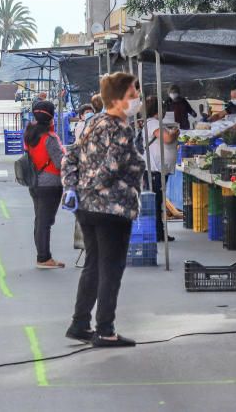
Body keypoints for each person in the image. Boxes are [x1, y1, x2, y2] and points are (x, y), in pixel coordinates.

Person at [61, 72, 145, 348]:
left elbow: (71, 155)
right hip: (112, 208)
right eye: (133, 95)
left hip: (86, 208)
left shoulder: (92, 121)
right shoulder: (121, 129)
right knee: (111, 268)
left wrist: (73, 187)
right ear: (119, 99)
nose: (137, 100)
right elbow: (112, 166)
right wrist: (96, 186)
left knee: (94, 265)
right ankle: (105, 329)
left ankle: (79, 322)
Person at [23, 100, 65, 270]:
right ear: (51, 118)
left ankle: (43, 255)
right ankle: (43, 257)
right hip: (51, 183)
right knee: (45, 222)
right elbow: (60, 162)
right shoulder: (50, 138)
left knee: (40, 220)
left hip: (35, 182)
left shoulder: (30, 134)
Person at [142, 95, 178, 242]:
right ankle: (158, 233)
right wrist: (175, 133)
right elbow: (167, 139)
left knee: (157, 202)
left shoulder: (153, 123)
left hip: (158, 170)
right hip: (154, 170)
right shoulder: (152, 124)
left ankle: (158, 232)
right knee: (156, 202)